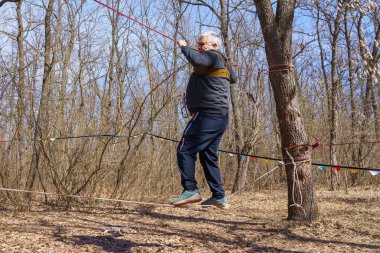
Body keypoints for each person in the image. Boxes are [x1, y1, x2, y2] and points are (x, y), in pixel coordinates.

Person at [170, 31, 237, 208]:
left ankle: (190, 190)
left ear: (214, 46)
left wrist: (184, 47)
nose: (199, 48)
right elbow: (234, 78)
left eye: (202, 44)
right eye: (197, 44)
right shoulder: (221, 60)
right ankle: (219, 196)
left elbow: (198, 60)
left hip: (207, 114)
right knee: (208, 156)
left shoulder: (212, 56)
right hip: (220, 117)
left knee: (185, 149)